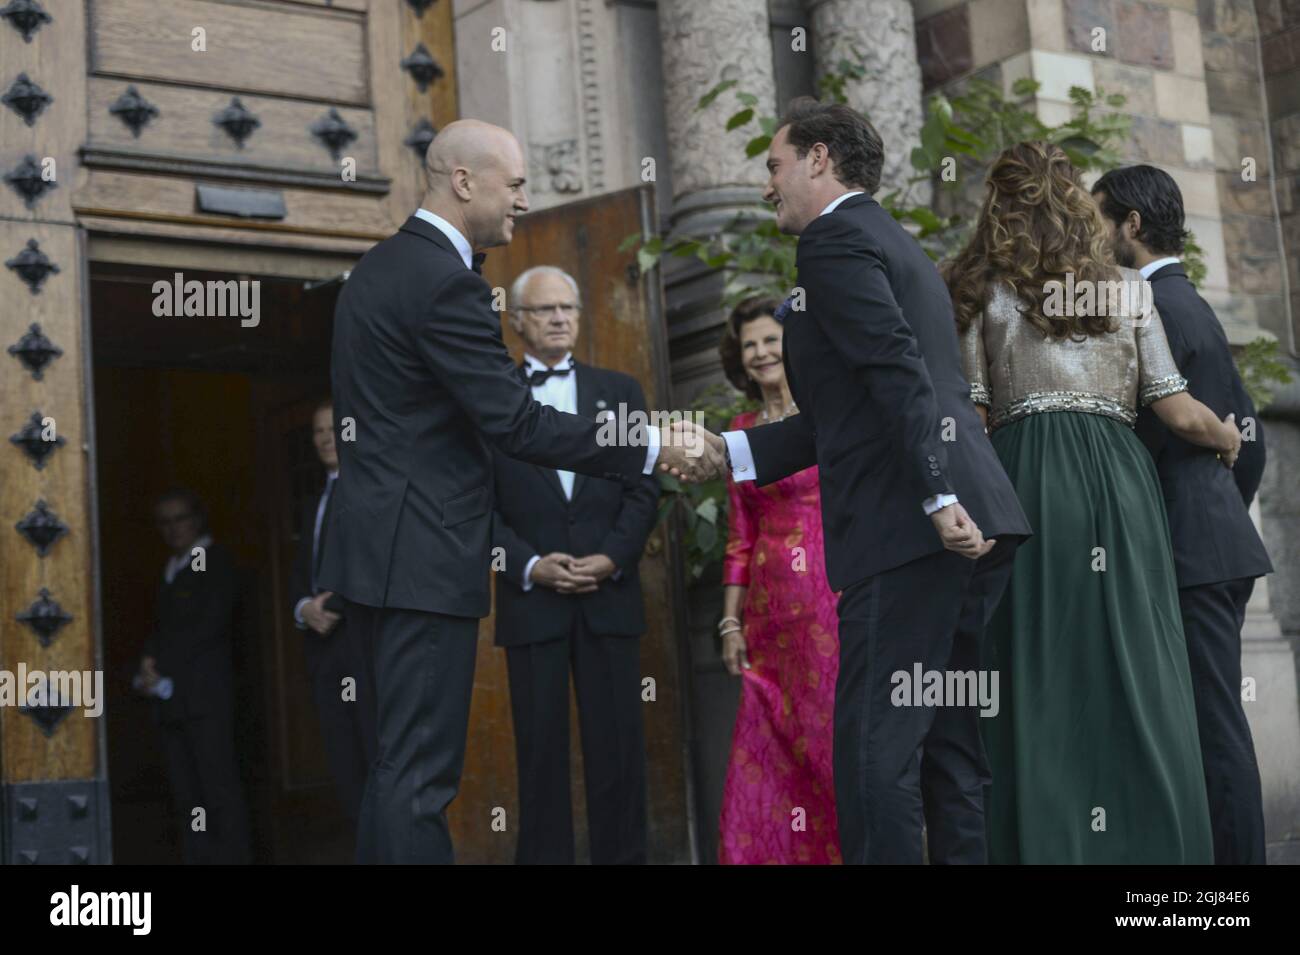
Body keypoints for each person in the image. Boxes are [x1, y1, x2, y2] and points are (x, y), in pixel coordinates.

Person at [318, 119, 704, 864]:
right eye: (517, 183)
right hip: (424, 560)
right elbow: (517, 421)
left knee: (394, 769)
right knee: (420, 777)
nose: (525, 201)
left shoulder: (376, 271)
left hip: (379, 557)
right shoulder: (445, 281)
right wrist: (651, 439)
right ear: (464, 181)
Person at [668, 98, 1032, 865]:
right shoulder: (893, 245)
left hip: (913, 525)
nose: (767, 184)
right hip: (972, 519)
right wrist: (728, 455)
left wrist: (934, 496)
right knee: (947, 746)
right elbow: (845, 412)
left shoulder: (833, 241)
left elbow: (896, 370)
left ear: (819, 158)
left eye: (773, 165)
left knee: (874, 750)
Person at [946, 141, 1236, 863]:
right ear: (1080, 210)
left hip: (1026, 481)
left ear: (1000, 210)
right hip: (1119, 485)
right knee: (1135, 666)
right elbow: (1175, 408)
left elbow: (974, 416)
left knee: (1039, 670)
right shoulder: (1128, 292)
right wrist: (1226, 433)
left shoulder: (983, 292)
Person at [1093, 164, 1272, 864]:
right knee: (1207, 721)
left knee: (1212, 724)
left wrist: (1200, 517)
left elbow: (1193, 430)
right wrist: (1223, 509)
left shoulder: (1155, 303)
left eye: (1100, 218)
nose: (1093, 234)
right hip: (1213, 543)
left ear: (1131, 225)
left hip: (1194, 552)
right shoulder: (1185, 298)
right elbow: (1247, 434)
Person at [490, 265, 660, 865]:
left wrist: (612, 556)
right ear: (515, 322)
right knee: (540, 758)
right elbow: (477, 511)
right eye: (544, 310)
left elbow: (644, 489)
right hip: (531, 604)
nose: (561, 318)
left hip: (608, 600)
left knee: (618, 752)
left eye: (569, 307)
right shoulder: (491, 401)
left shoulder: (621, 393)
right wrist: (529, 564)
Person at [715, 296, 842, 865]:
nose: (762, 352)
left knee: (828, 739)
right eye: (750, 345)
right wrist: (728, 621)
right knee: (769, 746)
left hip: (831, 597)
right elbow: (739, 537)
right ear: (739, 359)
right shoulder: (738, 432)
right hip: (767, 616)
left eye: (771, 339)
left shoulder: (826, 414)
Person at [136, 488, 251, 864]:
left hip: (207, 702)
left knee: (219, 794)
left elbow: (207, 626)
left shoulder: (212, 561)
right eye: (164, 522)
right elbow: (160, 628)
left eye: (180, 518)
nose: (173, 529)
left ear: (197, 519)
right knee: (189, 799)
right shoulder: (171, 569)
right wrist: (147, 665)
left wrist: (159, 662)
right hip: (172, 703)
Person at [288, 397, 377, 836]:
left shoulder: (369, 490)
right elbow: (299, 574)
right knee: (343, 764)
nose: (325, 439)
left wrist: (333, 605)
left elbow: (375, 560)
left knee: (373, 758)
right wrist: (303, 608)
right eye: (317, 432)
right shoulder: (313, 502)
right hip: (324, 653)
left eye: (333, 429)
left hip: (362, 648)